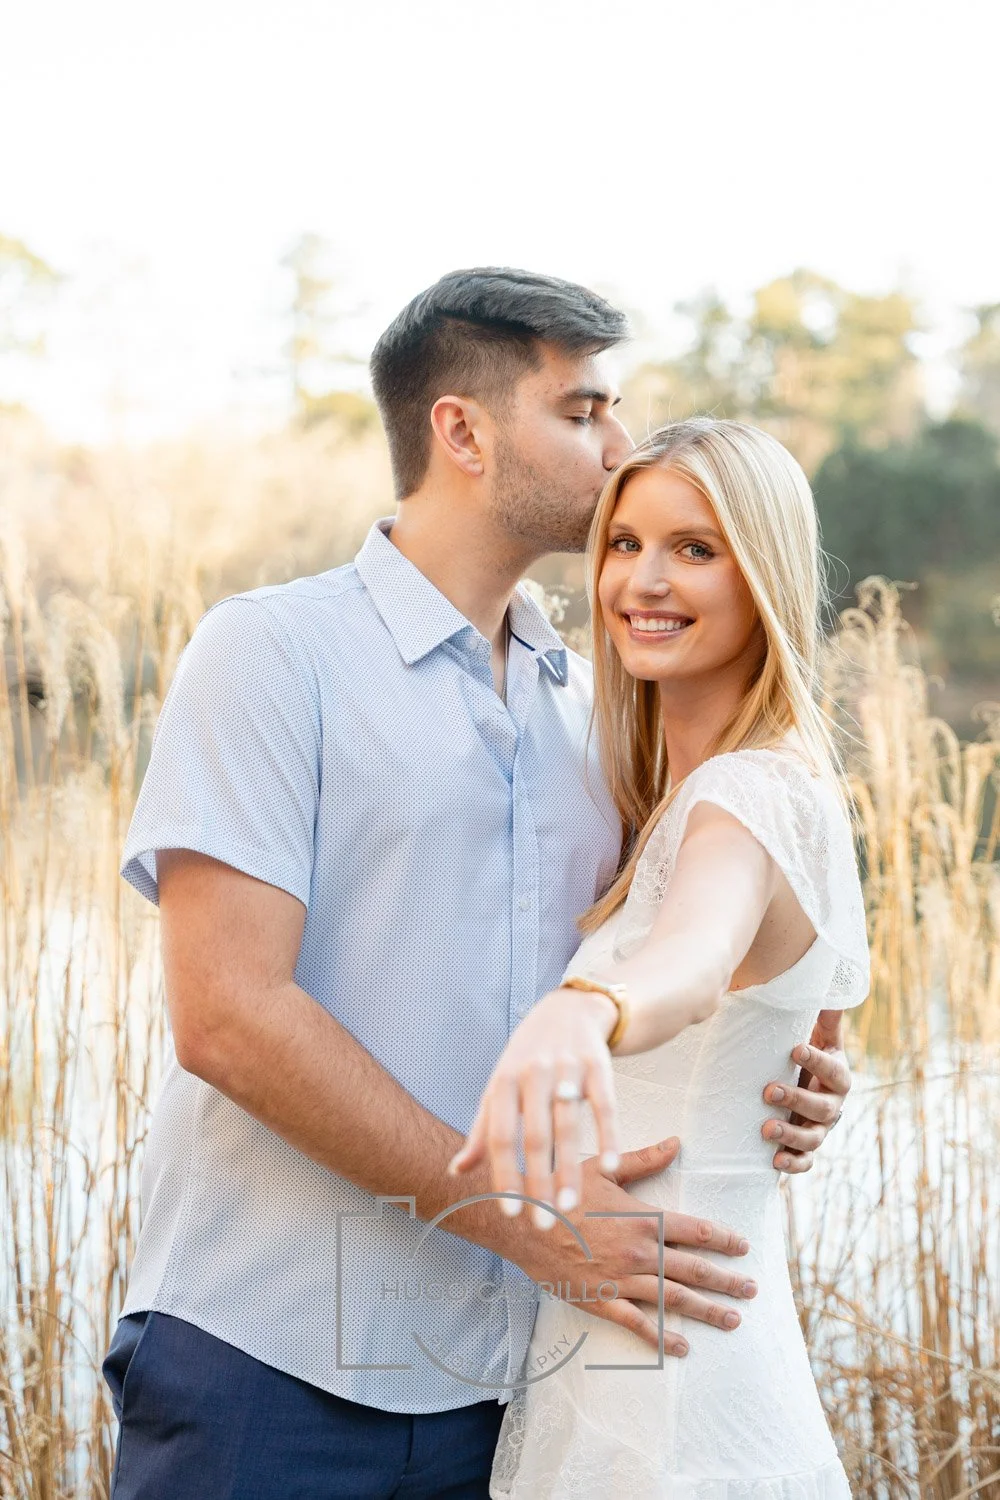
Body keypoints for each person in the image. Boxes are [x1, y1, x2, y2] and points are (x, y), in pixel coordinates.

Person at [101, 270, 855, 1499]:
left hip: (514, 1387)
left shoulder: (594, 711)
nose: (618, 449)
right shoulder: (274, 653)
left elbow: (689, 943)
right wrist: (531, 1229)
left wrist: (786, 1056)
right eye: (583, 411)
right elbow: (228, 1018)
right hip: (277, 1361)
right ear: (462, 430)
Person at [449, 417, 870, 1497]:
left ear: (762, 571)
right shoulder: (686, 801)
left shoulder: (746, 796)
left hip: (674, 1386)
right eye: (624, 543)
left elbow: (690, 962)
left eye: (695, 548)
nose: (643, 579)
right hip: (627, 1363)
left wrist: (583, 1007)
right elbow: (798, 1036)